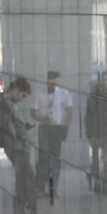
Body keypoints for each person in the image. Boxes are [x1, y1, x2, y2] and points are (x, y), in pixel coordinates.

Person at [0, 77, 37, 214]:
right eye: (23, 95)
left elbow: (12, 126)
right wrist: (21, 135)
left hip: (17, 145)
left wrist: (25, 128)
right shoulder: (4, 104)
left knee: (24, 178)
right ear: (16, 90)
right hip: (16, 147)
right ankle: (26, 209)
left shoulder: (8, 104)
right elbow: (7, 128)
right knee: (26, 177)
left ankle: (24, 209)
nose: (22, 99)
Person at [31, 70, 73, 198]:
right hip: (44, 128)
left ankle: (54, 187)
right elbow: (33, 112)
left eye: (56, 84)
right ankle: (41, 187)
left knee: (55, 158)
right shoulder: (40, 94)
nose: (54, 87)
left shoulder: (64, 94)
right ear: (47, 82)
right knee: (43, 158)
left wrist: (65, 128)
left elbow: (69, 112)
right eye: (51, 84)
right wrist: (43, 119)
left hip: (57, 129)